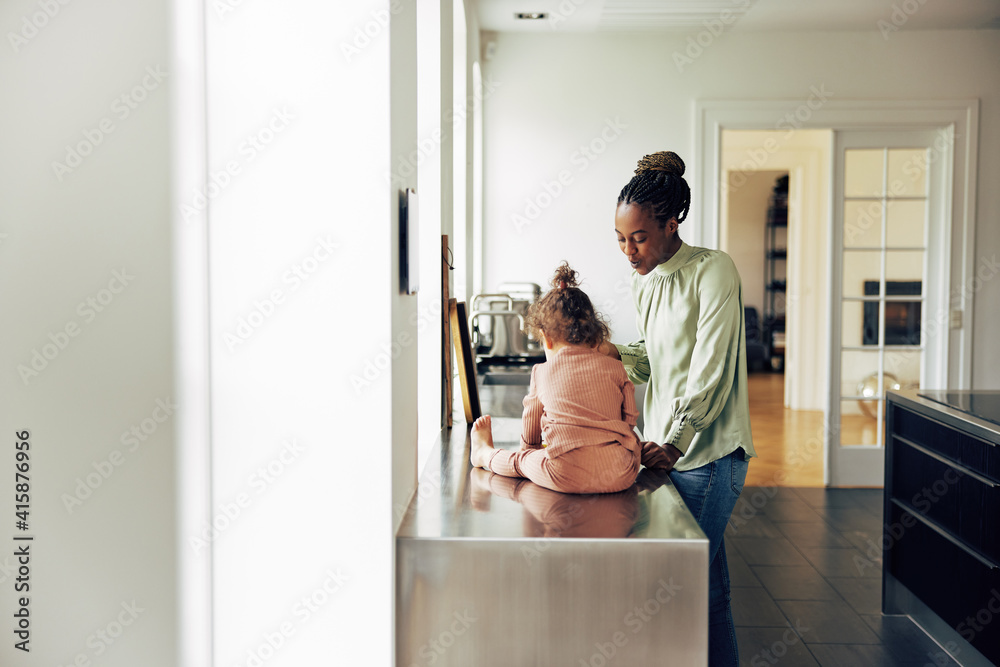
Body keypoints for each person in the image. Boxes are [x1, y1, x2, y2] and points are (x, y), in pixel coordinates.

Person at [600, 151, 757, 666]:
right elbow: (651, 363)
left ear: (672, 224)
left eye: (639, 238)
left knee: (676, 591)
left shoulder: (714, 270)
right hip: (667, 456)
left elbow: (708, 369)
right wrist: (607, 353)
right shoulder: (644, 280)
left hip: (707, 456)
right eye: (621, 239)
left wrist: (676, 438)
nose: (628, 250)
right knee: (707, 593)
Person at [469, 262, 657, 494]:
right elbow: (630, 420)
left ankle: (483, 454)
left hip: (565, 474)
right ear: (596, 334)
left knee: (519, 461)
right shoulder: (616, 367)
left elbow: (531, 426)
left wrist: (530, 453)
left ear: (546, 339)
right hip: (622, 474)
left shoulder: (541, 372)